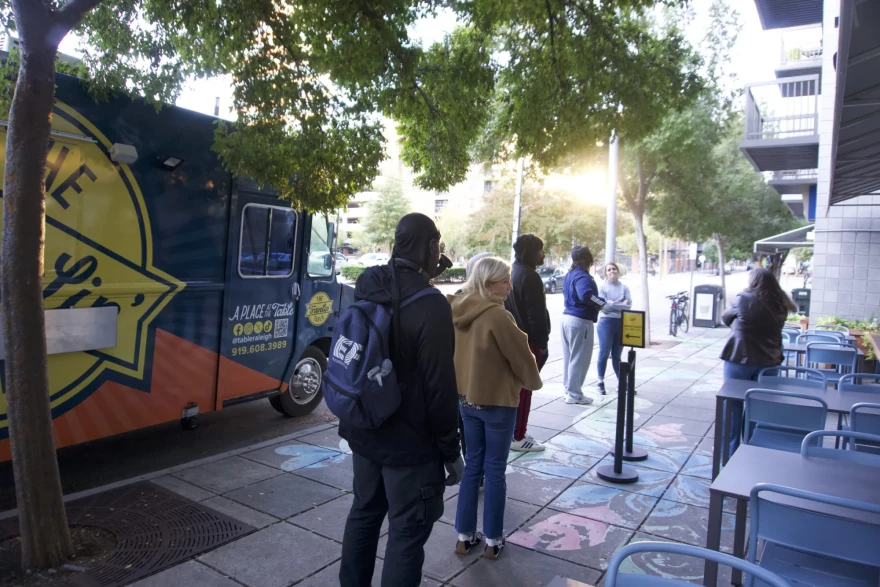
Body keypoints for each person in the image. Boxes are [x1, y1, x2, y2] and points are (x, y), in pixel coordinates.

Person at [339, 213, 463, 587]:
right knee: (406, 534)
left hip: (365, 429)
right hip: (411, 447)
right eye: (437, 247)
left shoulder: (368, 283)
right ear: (429, 247)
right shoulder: (432, 305)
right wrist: (450, 451)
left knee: (363, 513)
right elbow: (440, 388)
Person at [448, 256, 543, 559]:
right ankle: (493, 540)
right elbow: (523, 359)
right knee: (495, 470)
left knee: (473, 466)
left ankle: (464, 537)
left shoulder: (457, 309)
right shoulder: (498, 317)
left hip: (466, 400)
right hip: (498, 403)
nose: (509, 286)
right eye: (505, 281)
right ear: (490, 283)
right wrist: (530, 381)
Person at [719, 268, 797, 455]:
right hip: (770, 361)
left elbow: (726, 318)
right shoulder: (781, 303)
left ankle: (729, 453)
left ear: (753, 281)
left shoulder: (743, 298)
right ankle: (752, 450)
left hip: (740, 357)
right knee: (757, 406)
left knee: (732, 406)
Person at [505, 234, 551, 452]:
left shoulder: (513, 273)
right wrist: (542, 343)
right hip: (530, 341)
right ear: (532, 252)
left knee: (517, 389)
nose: (543, 254)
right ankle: (518, 436)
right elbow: (536, 315)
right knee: (525, 389)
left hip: (515, 338)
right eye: (541, 250)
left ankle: (514, 431)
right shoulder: (530, 276)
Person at [561, 246, 605, 405]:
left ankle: (569, 390)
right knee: (580, 359)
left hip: (567, 318)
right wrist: (602, 303)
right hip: (580, 321)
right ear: (586, 261)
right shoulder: (583, 277)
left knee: (569, 358)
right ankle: (574, 394)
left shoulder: (569, 275)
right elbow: (586, 295)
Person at [596, 262, 632, 395]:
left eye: (614, 269)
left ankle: (622, 383)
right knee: (604, 353)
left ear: (618, 271)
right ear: (606, 273)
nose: (612, 271)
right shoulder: (603, 288)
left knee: (617, 355)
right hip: (606, 323)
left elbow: (629, 306)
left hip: (621, 322)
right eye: (609, 270)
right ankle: (600, 382)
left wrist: (611, 303)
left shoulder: (625, 288)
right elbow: (604, 308)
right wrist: (620, 303)